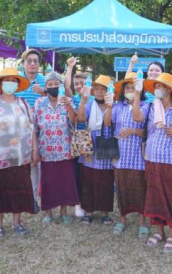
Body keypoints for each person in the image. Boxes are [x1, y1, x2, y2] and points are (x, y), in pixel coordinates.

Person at [133, 73, 172, 253]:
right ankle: (159, 232)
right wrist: (136, 94)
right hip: (152, 158)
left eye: (160, 86)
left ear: (169, 90)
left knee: (171, 195)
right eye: (155, 86)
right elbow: (136, 118)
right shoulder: (150, 106)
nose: (157, 90)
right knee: (155, 194)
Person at [0, 68, 35, 237]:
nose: (10, 83)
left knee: (19, 188)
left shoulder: (23, 103)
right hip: (0, 156)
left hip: (21, 156)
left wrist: (35, 150)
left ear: (18, 85)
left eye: (14, 80)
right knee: (0, 189)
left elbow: (31, 127)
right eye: (7, 80)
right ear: (0, 83)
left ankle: (17, 222)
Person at [103, 72, 148, 237]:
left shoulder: (145, 106)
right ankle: (122, 219)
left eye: (133, 87)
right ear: (122, 90)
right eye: (127, 88)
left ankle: (142, 221)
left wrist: (134, 130)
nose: (130, 90)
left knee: (140, 188)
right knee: (121, 188)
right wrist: (108, 108)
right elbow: (108, 124)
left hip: (138, 156)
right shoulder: (117, 107)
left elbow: (148, 132)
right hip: (120, 156)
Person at [32, 71, 79, 224]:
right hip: (46, 150)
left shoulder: (68, 100)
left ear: (60, 86)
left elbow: (74, 122)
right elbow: (34, 127)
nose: (53, 87)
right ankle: (48, 212)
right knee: (47, 183)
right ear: (46, 87)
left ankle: (64, 212)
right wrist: (35, 149)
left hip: (64, 150)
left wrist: (69, 106)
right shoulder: (39, 103)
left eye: (56, 84)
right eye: (50, 85)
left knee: (64, 182)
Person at [77, 75, 115, 225]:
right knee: (88, 179)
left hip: (107, 142)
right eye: (97, 89)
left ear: (108, 91)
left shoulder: (114, 105)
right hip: (90, 144)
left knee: (106, 180)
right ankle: (89, 211)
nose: (99, 92)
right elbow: (81, 119)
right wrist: (82, 100)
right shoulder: (89, 105)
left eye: (103, 89)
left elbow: (111, 124)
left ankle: (105, 212)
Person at [15, 49, 46, 204]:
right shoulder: (16, 81)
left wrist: (44, 92)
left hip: (41, 129)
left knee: (38, 162)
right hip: (20, 130)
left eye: (35, 61)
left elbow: (57, 97)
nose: (32, 63)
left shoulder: (44, 81)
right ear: (23, 64)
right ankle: (25, 196)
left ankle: (37, 198)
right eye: (29, 61)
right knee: (24, 163)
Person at [64, 56, 93, 217]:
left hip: (91, 142)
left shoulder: (94, 99)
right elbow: (66, 86)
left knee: (87, 173)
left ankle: (89, 201)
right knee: (76, 172)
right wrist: (70, 68)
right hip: (76, 141)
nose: (79, 86)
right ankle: (77, 203)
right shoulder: (73, 98)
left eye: (83, 84)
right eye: (77, 84)